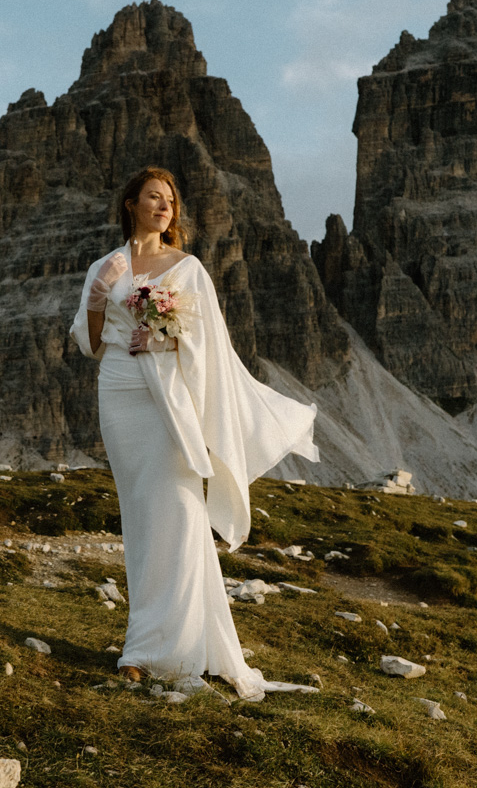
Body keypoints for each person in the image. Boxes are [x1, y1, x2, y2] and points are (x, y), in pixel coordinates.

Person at [69, 166, 320, 701]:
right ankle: (148, 643)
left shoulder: (187, 268)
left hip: (169, 398)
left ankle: (161, 650)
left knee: (180, 512)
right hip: (119, 393)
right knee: (140, 515)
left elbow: (206, 340)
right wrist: (98, 298)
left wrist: (160, 336)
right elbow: (91, 343)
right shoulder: (104, 266)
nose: (164, 206)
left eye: (170, 201)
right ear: (131, 203)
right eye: (153, 197)